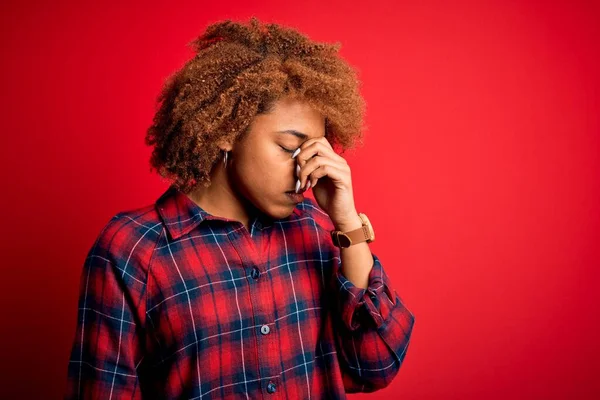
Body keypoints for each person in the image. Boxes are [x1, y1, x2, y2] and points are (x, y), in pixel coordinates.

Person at [64, 17, 415, 399]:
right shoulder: (134, 251)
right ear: (229, 130)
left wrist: (347, 222)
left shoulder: (318, 231)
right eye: (288, 148)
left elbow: (378, 365)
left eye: (315, 151)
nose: (307, 171)